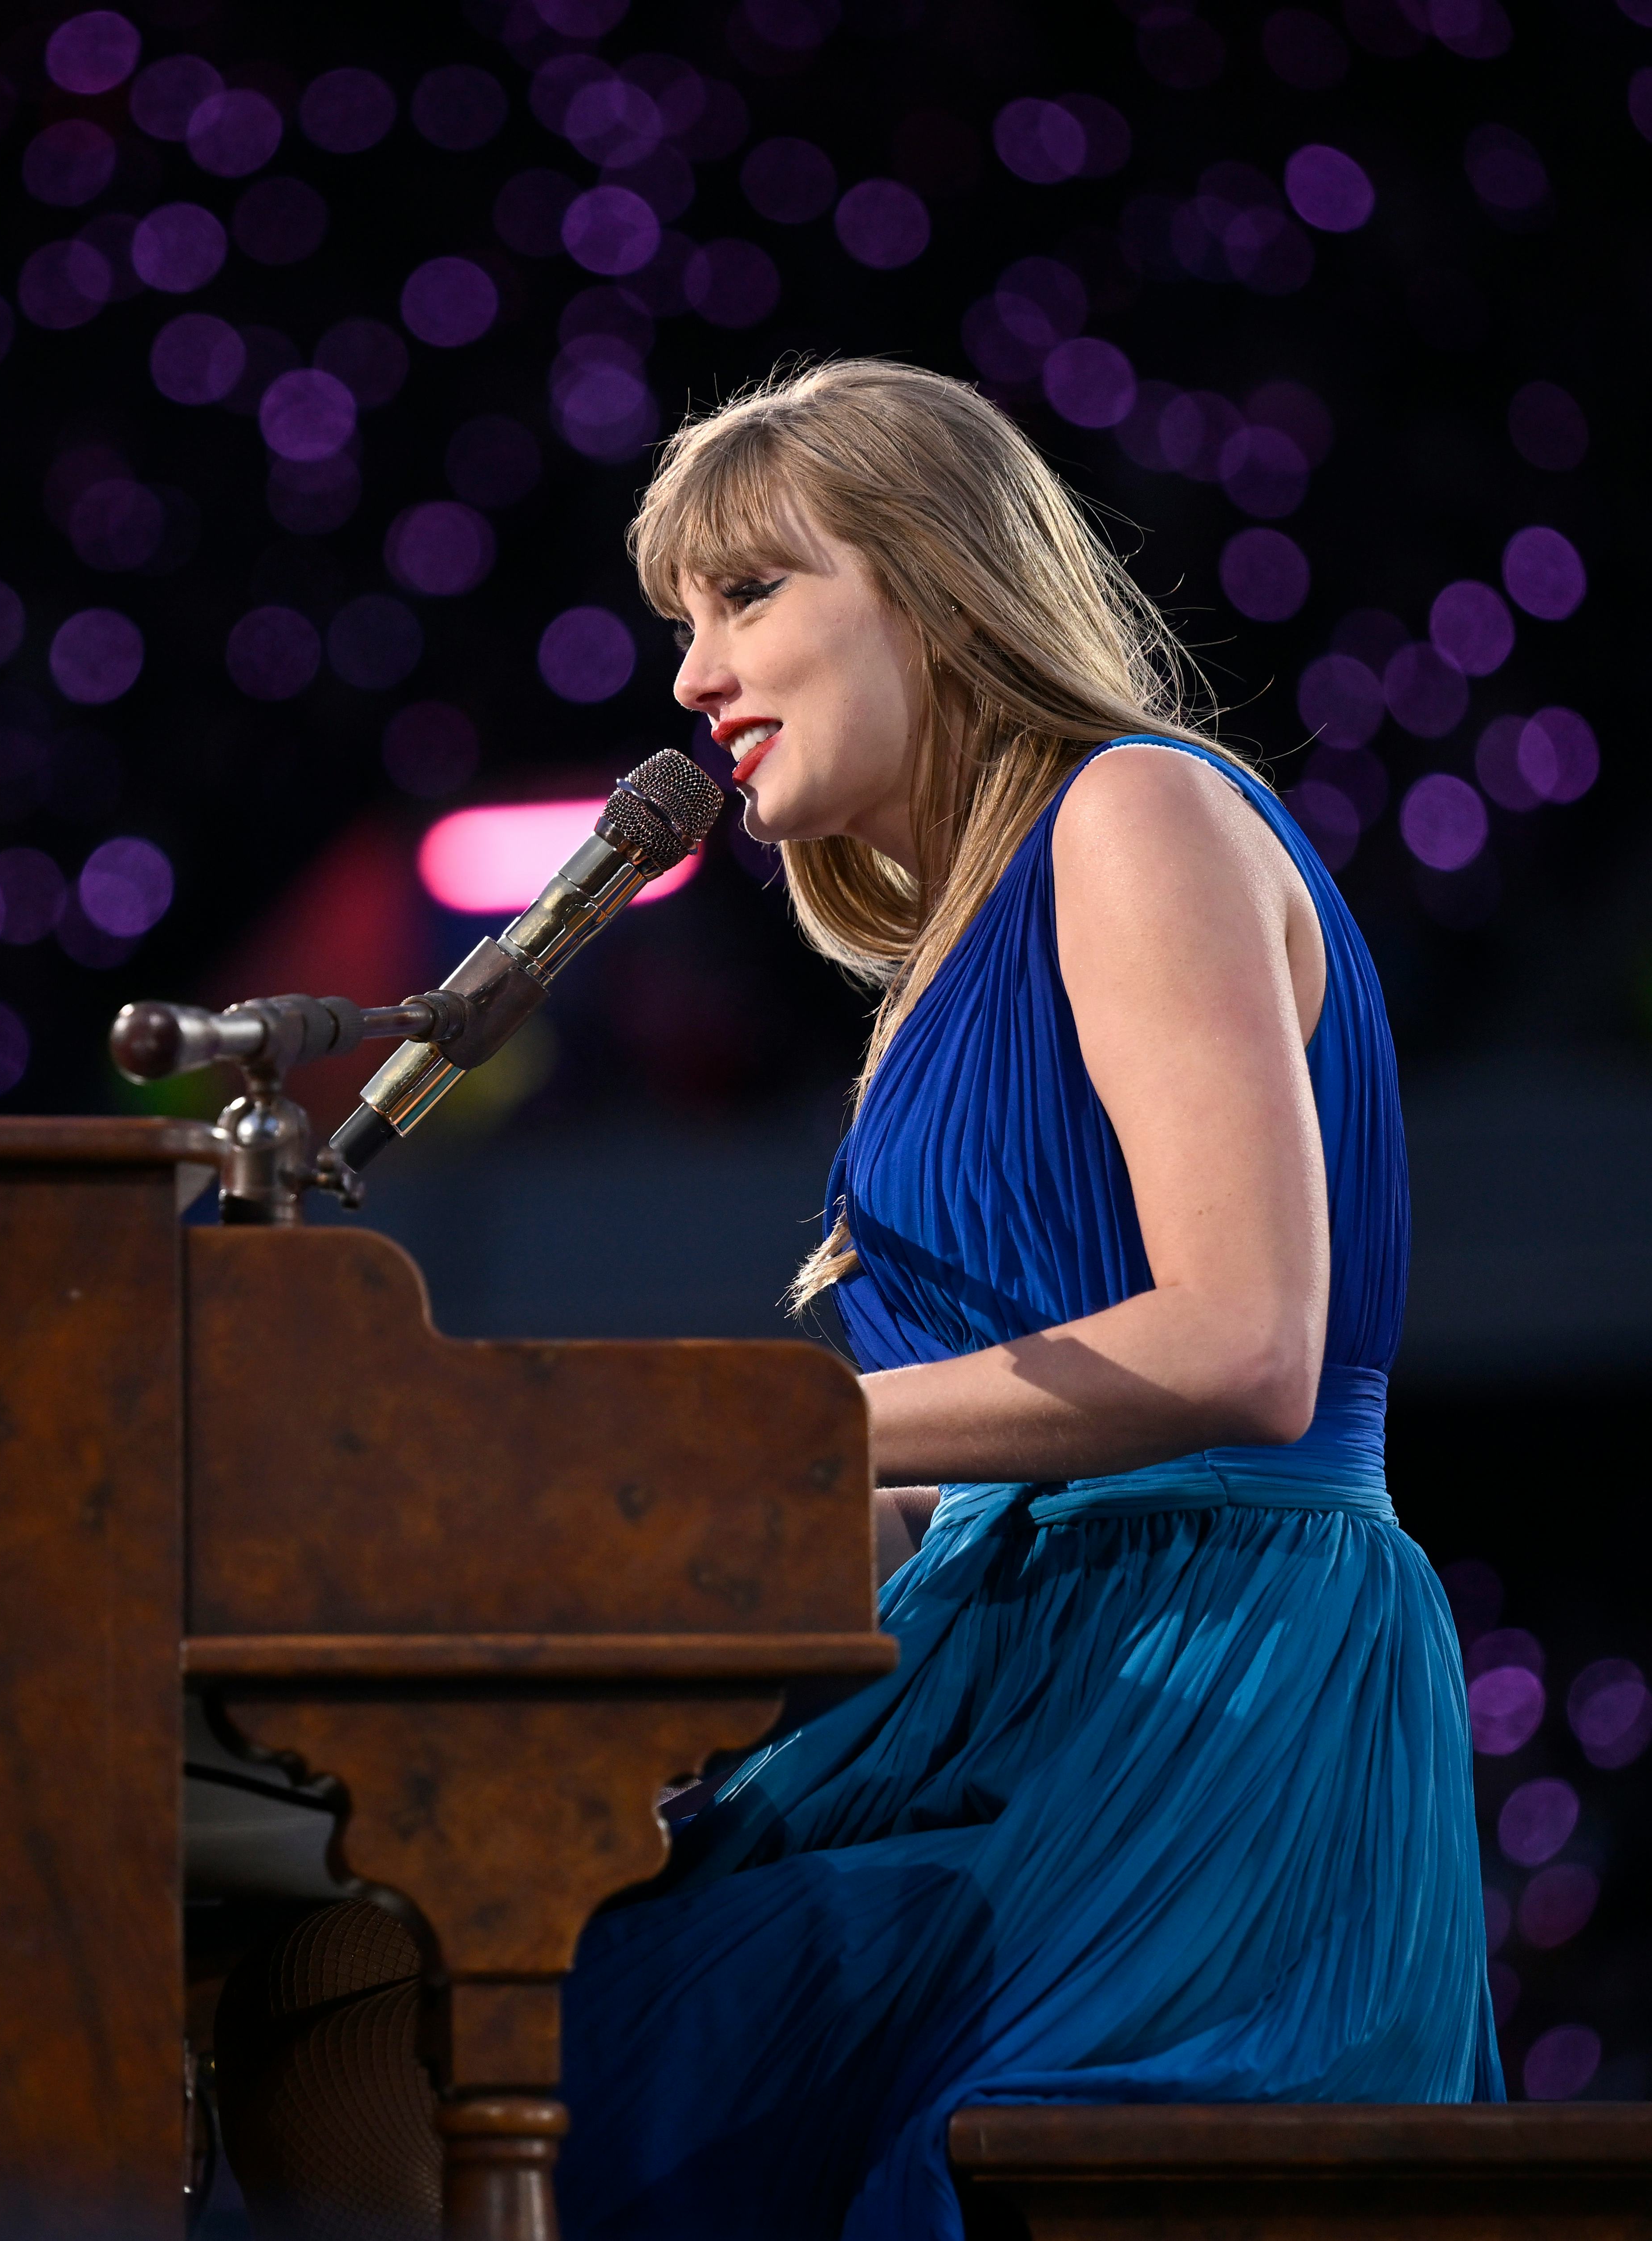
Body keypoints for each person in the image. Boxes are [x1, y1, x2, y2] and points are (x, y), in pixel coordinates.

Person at [211, 357, 1494, 2241]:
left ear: (929, 583)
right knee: (328, 1987)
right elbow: (958, 1463)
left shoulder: (1132, 812)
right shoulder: (951, 942)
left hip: (1196, 1720)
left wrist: (747, 1430)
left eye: (745, 596)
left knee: (404, 2028)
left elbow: (1241, 1338)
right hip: (1019, 1679)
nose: (688, 674)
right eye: (678, 617)